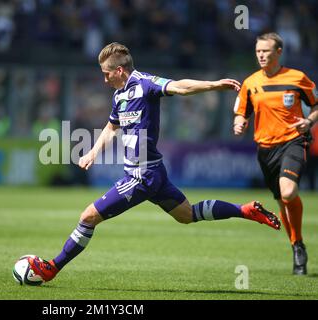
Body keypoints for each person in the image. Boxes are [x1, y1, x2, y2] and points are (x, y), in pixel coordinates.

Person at [27, 42, 280, 283]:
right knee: (188, 215)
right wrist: (93, 152)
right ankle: (246, 210)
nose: (104, 80)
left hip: (141, 176)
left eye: (106, 74)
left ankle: (51, 268)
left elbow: (180, 87)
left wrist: (214, 85)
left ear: (119, 70)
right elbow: (110, 127)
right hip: (153, 172)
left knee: (88, 216)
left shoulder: (145, 83)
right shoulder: (119, 96)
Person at [234, 33, 318, 275]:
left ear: (278, 52)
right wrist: (239, 123)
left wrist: (309, 121)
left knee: (288, 191)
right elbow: (241, 112)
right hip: (265, 148)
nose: (261, 55)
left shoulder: (297, 77)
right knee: (282, 199)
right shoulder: (250, 82)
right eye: (258, 51)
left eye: (266, 51)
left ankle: (299, 243)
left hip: (294, 140)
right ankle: (296, 244)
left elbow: (316, 104)